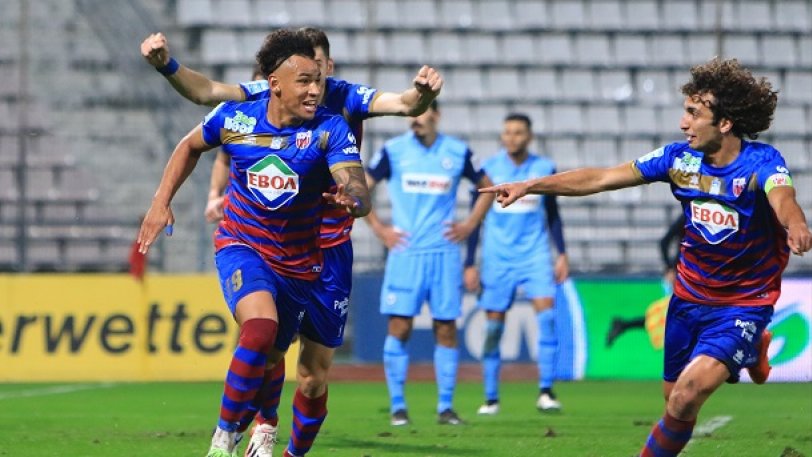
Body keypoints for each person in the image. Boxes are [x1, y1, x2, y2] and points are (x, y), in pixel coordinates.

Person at [481, 58, 812, 457]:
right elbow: (602, 178)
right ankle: (753, 350)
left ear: (724, 123)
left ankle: (748, 341)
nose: (683, 123)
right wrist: (531, 185)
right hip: (688, 300)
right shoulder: (678, 160)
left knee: (686, 396)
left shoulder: (762, 162)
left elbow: (783, 197)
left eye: (694, 113)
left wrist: (795, 224)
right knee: (674, 400)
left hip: (743, 303)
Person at [141, 28, 443, 456]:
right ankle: (230, 437)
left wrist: (354, 199)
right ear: (275, 82)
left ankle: (287, 447)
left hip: (314, 255)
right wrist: (161, 200)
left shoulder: (336, 116)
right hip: (245, 243)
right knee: (260, 331)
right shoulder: (241, 112)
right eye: (305, 78)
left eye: (318, 76)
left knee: (310, 375)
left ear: (328, 68)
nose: (315, 87)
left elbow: (399, 116)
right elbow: (203, 97)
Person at [365, 100, 494, 426]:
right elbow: (359, 190)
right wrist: (380, 229)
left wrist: (469, 225)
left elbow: (488, 188)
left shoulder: (457, 152)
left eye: (420, 113)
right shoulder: (393, 151)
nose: (414, 119)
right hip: (406, 253)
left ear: (436, 115)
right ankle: (398, 407)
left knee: (446, 328)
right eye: (410, 114)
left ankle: (445, 408)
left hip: (444, 254)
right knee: (400, 327)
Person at [463, 113, 569, 415]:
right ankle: (491, 398)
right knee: (493, 328)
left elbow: (552, 214)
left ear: (529, 136)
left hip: (535, 255)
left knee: (547, 318)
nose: (512, 137)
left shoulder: (543, 169)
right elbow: (475, 217)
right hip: (497, 258)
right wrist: (469, 263)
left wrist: (562, 253)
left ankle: (546, 391)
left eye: (518, 132)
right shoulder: (488, 170)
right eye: (507, 132)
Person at [605, 214, 685, 348]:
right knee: (677, 318)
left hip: (684, 275)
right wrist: (670, 268)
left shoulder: (694, 216)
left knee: (674, 318)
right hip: (682, 277)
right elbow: (664, 242)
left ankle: (624, 325)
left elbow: (664, 242)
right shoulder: (691, 216)